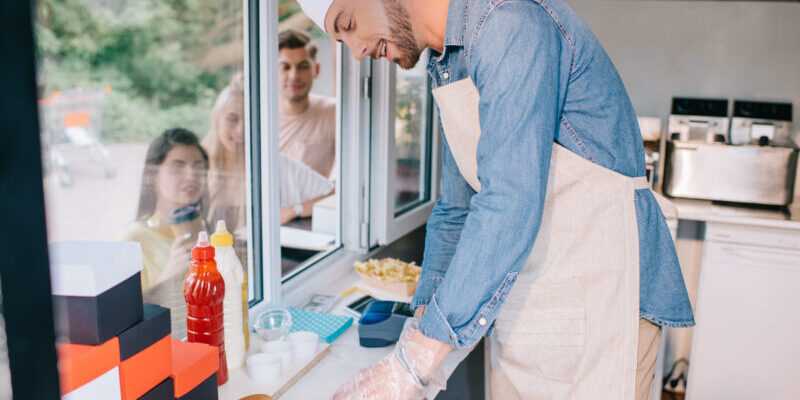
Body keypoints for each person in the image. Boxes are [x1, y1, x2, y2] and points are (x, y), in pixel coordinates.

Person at [295, 0, 695, 399]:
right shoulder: (448, 62)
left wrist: (415, 362)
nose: (356, 52)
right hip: (533, 306)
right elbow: (456, 210)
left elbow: (509, 201)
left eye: (347, 24)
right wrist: (416, 340)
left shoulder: (510, 23)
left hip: (600, 302)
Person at [118, 127, 209, 339]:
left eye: (199, 167)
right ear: (153, 176)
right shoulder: (131, 240)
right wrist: (170, 273)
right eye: (177, 168)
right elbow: (125, 325)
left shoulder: (205, 228)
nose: (191, 176)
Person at [277, 29, 337, 223]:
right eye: (285, 67)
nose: (294, 75)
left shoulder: (333, 112)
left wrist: (294, 210)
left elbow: (346, 188)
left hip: (312, 219)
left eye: (303, 66)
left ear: (316, 70)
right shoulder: (256, 117)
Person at [203, 73, 248, 234]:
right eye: (232, 119)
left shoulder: (269, 164)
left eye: (249, 120)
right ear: (216, 118)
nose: (241, 131)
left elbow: (330, 192)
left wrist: (293, 210)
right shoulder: (198, 163)